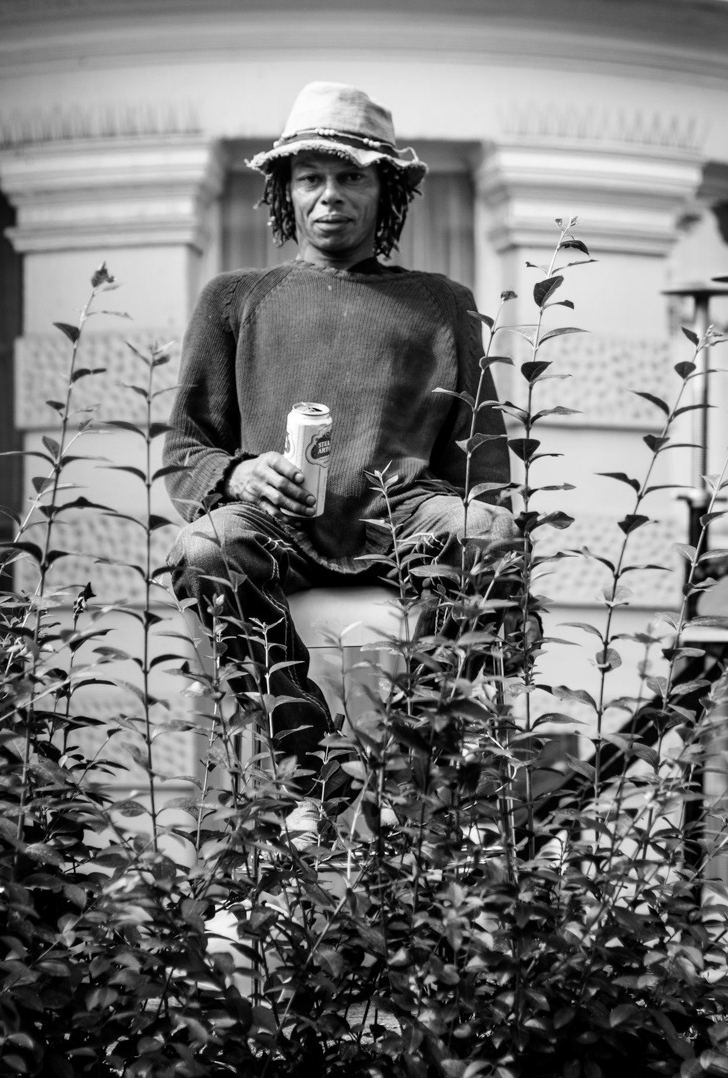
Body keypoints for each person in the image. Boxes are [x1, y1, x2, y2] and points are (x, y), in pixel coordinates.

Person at [163, 81, 515, 813]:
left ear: (385, 192)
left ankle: (416, 751)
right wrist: (239, 474)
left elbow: (482, 466)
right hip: (279, 526)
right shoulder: (235, 298)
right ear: (283, 192)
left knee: (488, 536)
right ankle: (308, 759)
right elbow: (186, 449)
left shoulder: (441, 302)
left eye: (352, 176)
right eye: (311, 177)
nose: (330, 195)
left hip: (404, 518)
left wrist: (484, 533)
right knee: (204, 551)